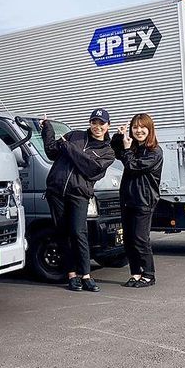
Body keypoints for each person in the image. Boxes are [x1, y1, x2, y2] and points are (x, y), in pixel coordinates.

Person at [42, 108, 115, 292]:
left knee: (78, 232)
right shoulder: (75, 135)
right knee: (63, 233)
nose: (97, 126)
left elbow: (91, 168)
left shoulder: (108, 151)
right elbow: (52, 152)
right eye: (94, 122)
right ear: (90, 123)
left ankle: (86, 275)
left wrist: (68, 147)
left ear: (108, 125)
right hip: (56, 191)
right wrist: (47, 129)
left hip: (79, 194)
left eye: (101, 123)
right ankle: (72, 275)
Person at [111, 113, 164, 288]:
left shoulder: (155, 152)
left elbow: (133, 166)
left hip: (144, 201)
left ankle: (148, 275)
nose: (139, 130)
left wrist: (127, 150)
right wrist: (119, 135)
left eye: (142, 127)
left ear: (150, 129)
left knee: (140, 238)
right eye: (135, 127)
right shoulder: (133, 148)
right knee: (128, 239)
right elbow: (115, 151)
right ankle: (135, 273)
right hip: (127, 199)